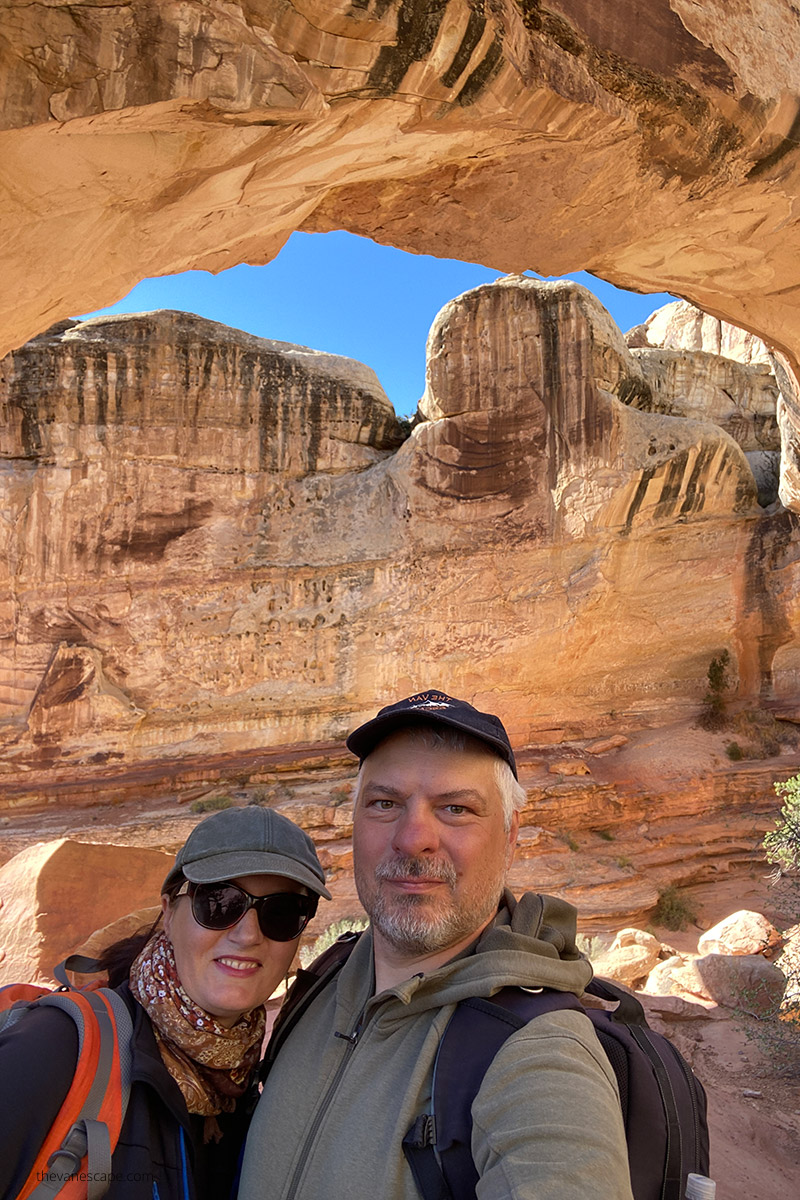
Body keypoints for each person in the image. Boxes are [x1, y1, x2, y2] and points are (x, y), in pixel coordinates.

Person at [239, 689, 634, 1200]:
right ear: (354, 822)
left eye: (455, 808)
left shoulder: (539, 1053)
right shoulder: (325, 983)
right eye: (385, 804)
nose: (413, 837)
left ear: (512, 835)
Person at [0, 805, 330, 1200]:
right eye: (219, 901)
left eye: (281, 912)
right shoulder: (55, 1049)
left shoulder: (248, 1087)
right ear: (169, 912)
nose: (247, 934)